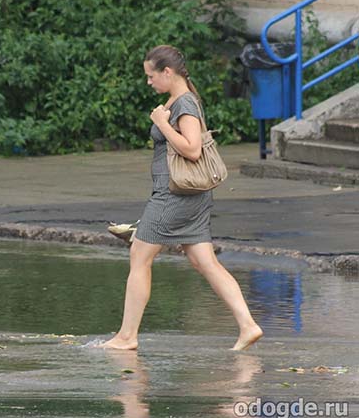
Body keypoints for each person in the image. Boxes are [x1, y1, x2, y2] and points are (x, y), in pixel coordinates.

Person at [98, 45, 263, 351]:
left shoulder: (184, 104)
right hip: (186, 195)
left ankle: (126, 336)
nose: (149, 82)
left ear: (167, 72)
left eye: (151, 76)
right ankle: (248, 325)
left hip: (174, 196)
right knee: (204, 261)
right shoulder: (179, 100)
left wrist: (161, 124)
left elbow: (192, 149)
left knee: (140, 256)